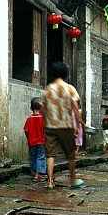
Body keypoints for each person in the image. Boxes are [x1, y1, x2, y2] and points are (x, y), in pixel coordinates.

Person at [42, 61, 87, 190]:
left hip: (50, 126)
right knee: (71, 154)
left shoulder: (47, 90)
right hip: (66, 125)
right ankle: (73, 180)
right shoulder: (70, 88)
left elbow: (44, 109)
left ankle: (50, 182)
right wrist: (78, 126)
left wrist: (46, 122)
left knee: (50, 155)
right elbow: (75, 108)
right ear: (65, 74)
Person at [23, 97, 46, 182]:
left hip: (31, 142)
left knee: (33, 158)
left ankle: (33, 171)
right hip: (41, 142)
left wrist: (29, 138)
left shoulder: (29, 119)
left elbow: (26, 130)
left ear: (31, 108)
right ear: (41, 108)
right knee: (40, 157)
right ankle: (37, 174)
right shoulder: (43, 119)